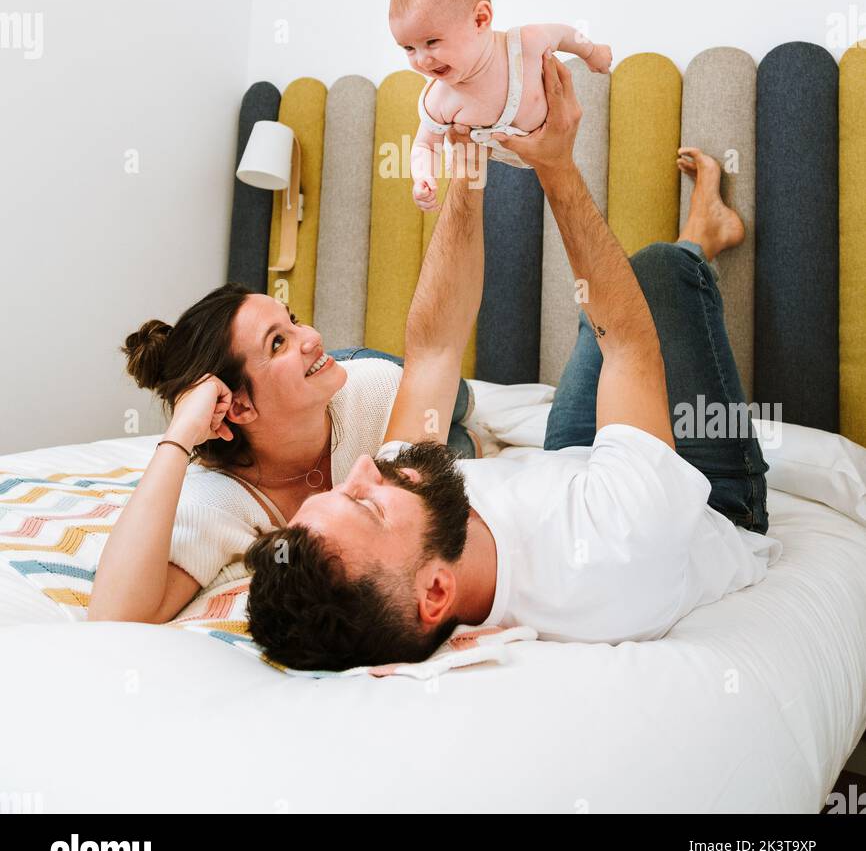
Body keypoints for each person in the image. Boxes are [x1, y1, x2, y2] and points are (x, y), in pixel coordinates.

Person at [244, 49, 781, 671]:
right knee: (651, 279)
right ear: (437, 592)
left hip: (576, 465)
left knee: (602, 295)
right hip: (701, 502)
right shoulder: (615, 544)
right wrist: (555, 166)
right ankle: (704, 237)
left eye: (344, 488)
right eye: (364, 501)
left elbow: (435, 349)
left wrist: (467, 175)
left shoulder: (406, 513)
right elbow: (629, 345)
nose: (363, 467)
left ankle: (678, 249)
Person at [88, 134, 480, 625]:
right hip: (329, 389)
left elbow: (436, 354)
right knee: (463, 451)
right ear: (239, 407)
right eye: (278, 342)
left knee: (463, 402)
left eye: (292, 319)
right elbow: (112, 620)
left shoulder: (375, 388)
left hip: (360, 373)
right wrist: (178, 437)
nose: (311, 334)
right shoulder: (219, 501)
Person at [390, 0, 611, 202]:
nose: (422, 60)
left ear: (480, 20)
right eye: (408, 48)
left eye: (432, 42)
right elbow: (425, 145)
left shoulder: (524, 45)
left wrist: (592, 52)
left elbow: (564, 35)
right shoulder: (440, 99)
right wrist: (423, 177)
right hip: (494, 165)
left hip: (557, 146)